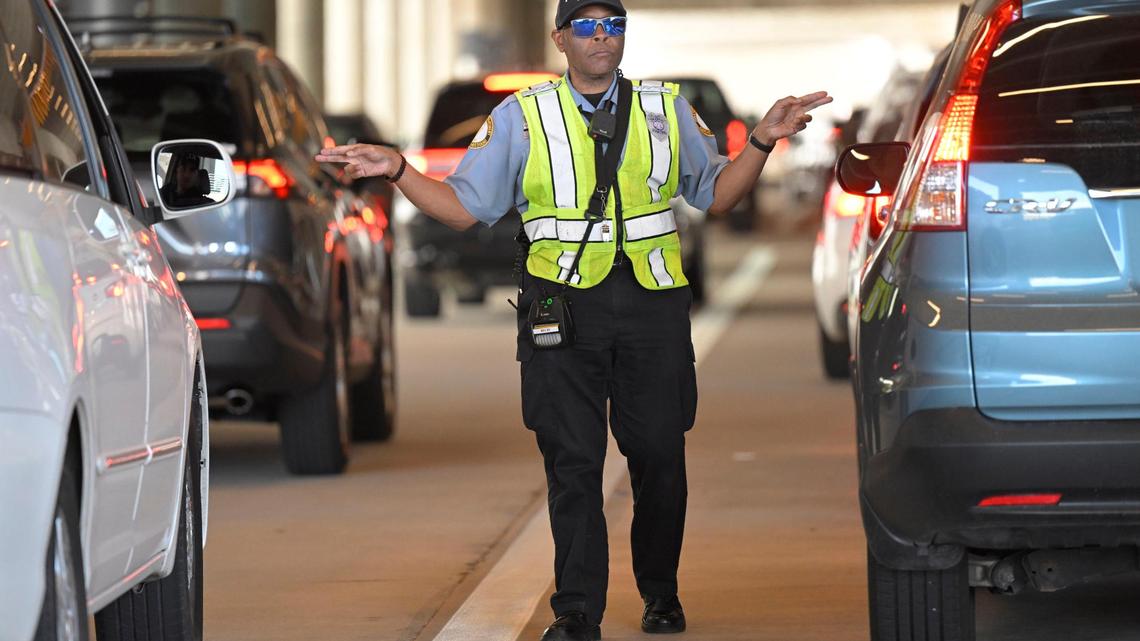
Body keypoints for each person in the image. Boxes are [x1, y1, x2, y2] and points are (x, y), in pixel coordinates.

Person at [317, 2, 830, 639]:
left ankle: (660, 593)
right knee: (573, 462)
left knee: (660, 456)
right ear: (560, 38)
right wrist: (399, 170)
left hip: (652, 304)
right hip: (562, 304)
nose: (601, 37)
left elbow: (716, 195)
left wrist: (760, 139)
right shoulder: (521, 116)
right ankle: (577, 611)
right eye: (586, 26)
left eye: (613, 25)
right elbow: (461, 209)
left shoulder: (664, 108)